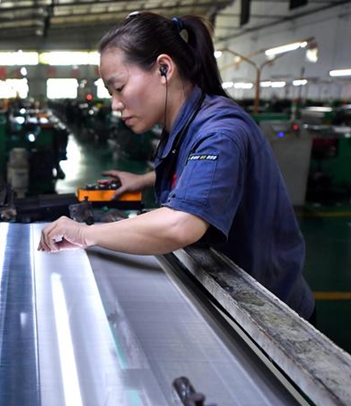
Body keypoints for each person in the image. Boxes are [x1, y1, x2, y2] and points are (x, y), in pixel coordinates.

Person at [37, 12, 315, 321]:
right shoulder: (192, 121)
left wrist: (85, 233)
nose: (115, 104)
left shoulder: (219, 132)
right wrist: (144, 180)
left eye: (119, 87)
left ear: (164, 69)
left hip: (269, 313)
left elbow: (181, 224)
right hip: (228, 289)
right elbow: (202, 173)